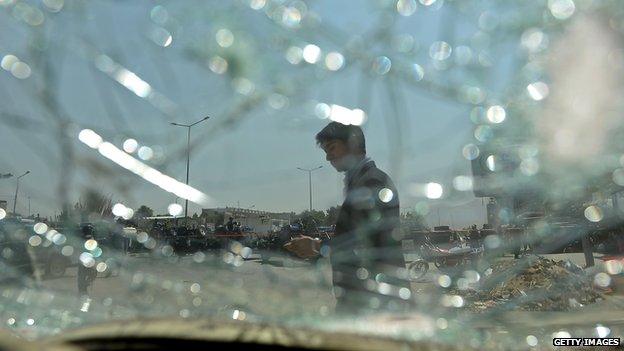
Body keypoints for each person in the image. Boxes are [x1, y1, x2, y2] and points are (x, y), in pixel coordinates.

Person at [284, 122, 406, 313]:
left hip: (374, 302)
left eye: (332, 148)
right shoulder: (360, 182)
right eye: (326, 151)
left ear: (354, 144)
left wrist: (317, 246)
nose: (328, 157)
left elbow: (366, 245)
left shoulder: (372, 181)